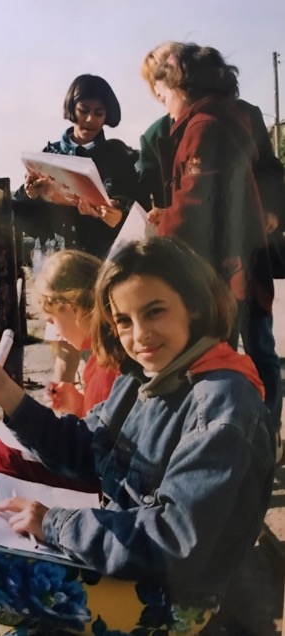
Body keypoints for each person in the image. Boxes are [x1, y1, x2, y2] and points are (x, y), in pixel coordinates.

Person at [0, 237, 274, 636]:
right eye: (124, 320)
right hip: (131, 547)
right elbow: (88, 448)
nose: (140, 334)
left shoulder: (221, 406)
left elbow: (174, 541)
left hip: (176, 595)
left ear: (194, 305)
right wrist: (3, 390)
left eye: (155, 311)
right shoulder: (144, 375)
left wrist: (55, 524)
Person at [142, 43, 283, 454]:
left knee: (228, 352)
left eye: (164, 95)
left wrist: (163, 226)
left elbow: (196, 201)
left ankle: (250, 440)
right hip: (239, 258)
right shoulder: (212, 119)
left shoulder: (203, 126)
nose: (163, 105)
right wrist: (170, 212)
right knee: (248, 348)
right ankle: (261, 436)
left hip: (229, 266)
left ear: (181, 86)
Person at [14, 73, 140, 385]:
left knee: (109, 348)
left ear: (108, 114)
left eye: (99, 112)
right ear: (72, 108)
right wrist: (29, 194)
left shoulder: (120, 156)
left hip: (102, 263)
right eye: (83, 110)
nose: (90, 120)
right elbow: (21, 218)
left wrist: (112, 212)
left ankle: (103, 407)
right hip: (60, 264)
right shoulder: (49, 154)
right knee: (65, 353)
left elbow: (131, 208)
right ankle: (64, 407)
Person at [0, 249, 119, 490]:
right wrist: (78, 405)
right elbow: (103, 420)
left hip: (101, 478)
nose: (56, 332)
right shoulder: (101, 356)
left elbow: (98, 444)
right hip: (95, 463)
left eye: (52, 321)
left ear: (74, 308)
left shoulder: (110, 366)